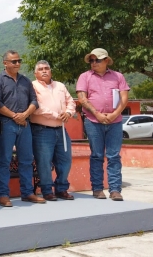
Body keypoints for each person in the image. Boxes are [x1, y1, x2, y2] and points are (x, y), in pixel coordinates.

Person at [76, 48, 129, 201]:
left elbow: (124, 98)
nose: (93, 63)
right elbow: (82, 98)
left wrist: (114, 114)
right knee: (97, 155)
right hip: (93, 121)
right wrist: (97, 113)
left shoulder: (118, 76)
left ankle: (115, 189)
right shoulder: (84, 77)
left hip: (115, 122)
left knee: (113, 156)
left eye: (97, 60)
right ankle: (97, 189)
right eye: (91, 60)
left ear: (106, 60)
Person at [0, 50, 44, 206]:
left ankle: (27, 193)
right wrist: (15, 116)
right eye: (13, 61)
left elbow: (34, 101)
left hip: (25, 125)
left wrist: (25, 114)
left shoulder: (25, 80)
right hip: (6, 124)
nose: (17, 64)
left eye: (19, 61)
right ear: (5, 63)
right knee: (5, 160)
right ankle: (3, 195)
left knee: (27, 160)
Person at [30, 60, 76, 201]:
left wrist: (68, 113)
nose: (44, 71)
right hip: (42, 130)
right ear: (35, 73)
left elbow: (71, 102)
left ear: (51, 71)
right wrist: (56, 115)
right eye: (41, 69)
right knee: (44, 162)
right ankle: (46, 190)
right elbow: (37, 106)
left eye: (47, 68)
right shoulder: (32, 86)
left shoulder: (60, 86)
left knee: (65, 160)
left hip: (61, 129)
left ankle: (61, 189)